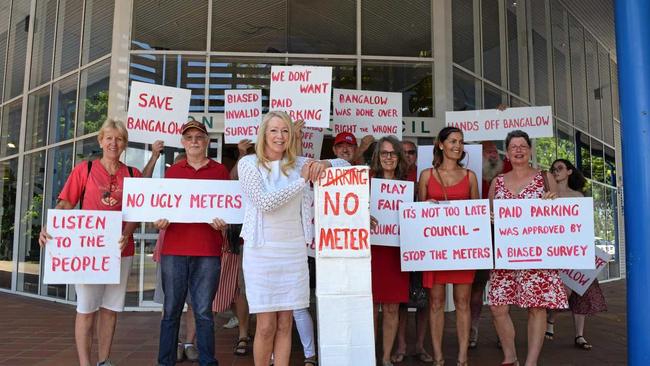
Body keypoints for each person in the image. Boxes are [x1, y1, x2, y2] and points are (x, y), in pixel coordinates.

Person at [38, 119, 153, 366]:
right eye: (109, 137)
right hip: (88, 251)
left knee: (110, 310)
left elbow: (137, 212)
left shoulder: (132, 173)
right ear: (101, 141)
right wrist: (51, 226)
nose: (114, 143)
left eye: (119, 139)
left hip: (122, 250)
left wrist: (126, 233)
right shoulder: (85, 169)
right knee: (86, 309)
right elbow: (66, 204)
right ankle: (85, 363)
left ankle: (104, 361)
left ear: (124, 144)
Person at [238, 111, 347, 366]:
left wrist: (326, 165)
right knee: (266, 326)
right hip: (261, 251)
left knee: (286, 322)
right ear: (264, 133)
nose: (280, 136)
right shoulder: (249, 164)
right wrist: (302, 182)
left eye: (285, 130)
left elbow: (348, 166)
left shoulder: (300, 163)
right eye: (274, 130)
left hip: (293, 251)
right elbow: (265, 203)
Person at [488, 130, 568, 366]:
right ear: (507, 152)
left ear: (530, 150)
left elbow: (560, 216)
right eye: (514, 146)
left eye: (523, 145)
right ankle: (510, 356)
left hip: (536, 254)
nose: (519, 150)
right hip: (505, 255)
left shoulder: (544, 178)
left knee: (536, 306)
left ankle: (531, 362)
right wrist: (491, 218)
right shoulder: (498, 182)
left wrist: (552, 203)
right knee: (498, 306)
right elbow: (490, 217)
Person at [155, 120, 230, 366]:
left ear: (207, 141)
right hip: (174, 249)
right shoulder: (173, 171)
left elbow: (229, 209)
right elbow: (163, 206)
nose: (195, 141)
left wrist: (225, 223)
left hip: (207, 250)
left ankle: (208, 361)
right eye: (190, 137)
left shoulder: (220, 172)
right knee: (171, 310)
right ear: (183, 142)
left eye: (199, 137)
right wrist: (160, 220)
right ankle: (165, 361)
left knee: (204, 312)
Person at [418, 127, 480, 366]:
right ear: (441, 144)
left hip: (462, 251)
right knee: (435, 303)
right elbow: (416, 214)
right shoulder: (426, 175)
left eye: (461, 142)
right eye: (453, 141)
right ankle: (438, 357)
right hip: (435, 250)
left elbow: (477, 214)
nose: (458, 145)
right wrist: (426, 206)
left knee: (463, 303)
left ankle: (462, 357)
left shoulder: (470, 176)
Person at [545, 158, 607, 350]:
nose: (556, 171)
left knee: (579, 290)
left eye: (560, 168)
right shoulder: (547, 196)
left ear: (569, 172)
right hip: (555, 250)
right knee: (564, 291)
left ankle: (579, 335)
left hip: (576, 249)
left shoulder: (578, 197)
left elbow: (585, 225)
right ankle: (551, 318)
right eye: (553, 169)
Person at [151, 152, 202, 363]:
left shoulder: (200, 193)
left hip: (196, 253)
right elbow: (148, 207)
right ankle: (171, 346)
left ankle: (189, 344)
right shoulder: (166, 191)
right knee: (170, 305)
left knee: (193, 304)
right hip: (168, 254)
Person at [368, 136, 411, 366]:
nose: (388, 157)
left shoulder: (408, 185)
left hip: (396, 253)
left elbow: (417, 218)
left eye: (393, 153)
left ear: (399, 157)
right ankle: (371, 357)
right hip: (373, 252)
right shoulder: (367, 181)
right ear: (377, 156)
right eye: (384, 153)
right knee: (372, 307)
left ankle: (385, 358)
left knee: (393, 307)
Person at [393, 140, 432, 363]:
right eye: (404, 152)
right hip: (397, 244)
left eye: (412, 152)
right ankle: (401, 346)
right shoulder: (392, 177)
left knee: (423, 301)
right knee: (400, 301)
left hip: (422, 244)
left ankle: (419, 346)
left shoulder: (425, 174)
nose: (408, 156)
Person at [468, 140, 510, 349]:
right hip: (479, 239)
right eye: (487, 152)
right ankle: (472, 331)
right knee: (476, 288)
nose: (493, 155)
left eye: (495, 151)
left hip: (505, 240)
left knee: (502, 288)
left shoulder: (507, 169)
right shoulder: (471, 173)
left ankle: (502, 334)